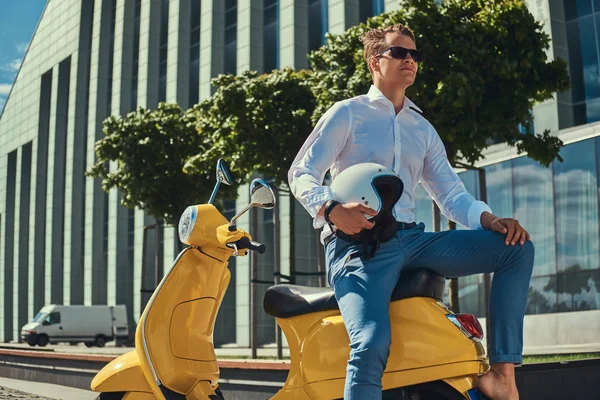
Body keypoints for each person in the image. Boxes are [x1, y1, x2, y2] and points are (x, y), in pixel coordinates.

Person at [288, 23, 534, 400]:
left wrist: (489, 220)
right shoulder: (347, 114)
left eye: (414, 55)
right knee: (369, 344)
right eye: (400, 53)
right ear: (375, 61)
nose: (410, 60)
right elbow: (301, 172)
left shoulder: (422, 128)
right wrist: (332, 209)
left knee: (515, 248)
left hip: (414, 240)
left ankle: (502, 376)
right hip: (358, 248)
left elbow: (450, 193)